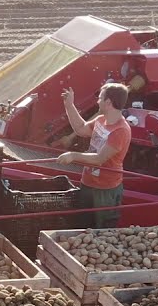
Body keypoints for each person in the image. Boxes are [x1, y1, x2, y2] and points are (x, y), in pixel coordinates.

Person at [56, 83, 133, 228]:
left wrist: (73, 155)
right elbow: (80, 129)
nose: (97, 101)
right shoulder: (101, 120)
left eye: (100, 98)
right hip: (88, 183)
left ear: (108, 102)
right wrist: (69, 106)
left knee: (102, 228)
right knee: (82, 225)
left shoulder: (121, 130)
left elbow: (99, 159)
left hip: (105, 190)